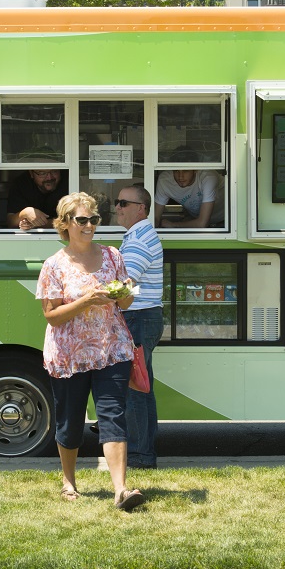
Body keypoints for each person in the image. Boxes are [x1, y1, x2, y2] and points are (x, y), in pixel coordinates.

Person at [36, 191, 146, 511]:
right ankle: (69, 481)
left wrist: (119, 292)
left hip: (111, 349)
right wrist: (85, 301)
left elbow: (127, 300)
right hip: (69, 354)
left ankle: (121, 490)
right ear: (65, 224)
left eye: (93, 220)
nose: (88, 226)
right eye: (81, 220)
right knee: (70, 423)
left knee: (113, 415)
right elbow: (51, 315)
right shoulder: (53, 265)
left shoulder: (112, 255)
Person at [115, 184, 164, 469]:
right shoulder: (140, 235)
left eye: (124, 203)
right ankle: (143, 452)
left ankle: (138, 455)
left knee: (134, 388)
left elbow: (124, 286)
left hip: (138, 318)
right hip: (143, 318)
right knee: (142, 387)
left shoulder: (138, 241)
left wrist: (93, 297)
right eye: (117, 202)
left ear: (140, 208)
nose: (118, 207)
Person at [153, 151, 225, 228]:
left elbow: (202, 224)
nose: (180, 176)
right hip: (195, 220)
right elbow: (155, 218)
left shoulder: (208, 177)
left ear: (195, 170)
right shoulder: (165, 180)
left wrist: (173, 225)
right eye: (176, 170)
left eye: (185, 170)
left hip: (227, 220)